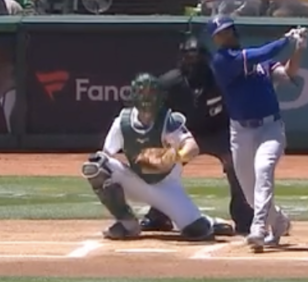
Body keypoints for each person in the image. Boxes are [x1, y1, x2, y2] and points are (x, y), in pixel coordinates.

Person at [79, 73, 222, 241]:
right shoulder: (122, 121)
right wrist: (100, 158)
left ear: (160, 96)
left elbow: (192, 147)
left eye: (151, 93)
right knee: (97, 167)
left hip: (166, 186)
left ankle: (209, 221)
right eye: (142, 93)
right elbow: (106, 154)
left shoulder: (168, 120)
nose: (146, 98)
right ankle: (127, 223)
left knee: (198, 230)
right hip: (135, 180)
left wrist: (173, 157)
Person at [206, 16, 307, 251]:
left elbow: (288, 73)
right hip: (240, 132)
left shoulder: (260, 62)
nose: (225, 36)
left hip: (270, 128)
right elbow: (260, 54)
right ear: (215, 39)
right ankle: (279, 222)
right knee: (250, 193)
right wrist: (286, 40)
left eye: (227, 31)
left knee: (263, 169)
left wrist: (299, 48)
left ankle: (258, 228)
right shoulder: (222, 61)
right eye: (220, 34)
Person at [141, 35, 254, 236]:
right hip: (183, 135)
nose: (193, 63)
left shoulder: (220, 78)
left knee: (237, 162)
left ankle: (245, 217)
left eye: (197, 58)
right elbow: (151, 107)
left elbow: (240, 103)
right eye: (188, 58)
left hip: (218, 131)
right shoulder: (170, 82)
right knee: (162, 164)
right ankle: (158, 215)